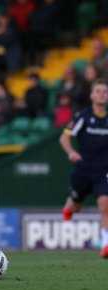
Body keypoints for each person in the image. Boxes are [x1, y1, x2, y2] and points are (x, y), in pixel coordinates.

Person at [60, 79, 108, 258]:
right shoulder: (83, 116)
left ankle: (105, 245)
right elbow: (64, 138)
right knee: (75, 205)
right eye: (99, 91)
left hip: (103, 172)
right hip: (83, 170)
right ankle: (67, 211)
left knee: (105, 205)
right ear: (92, 95)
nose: (102, 94)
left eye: (105, 91)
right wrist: (71, 152)